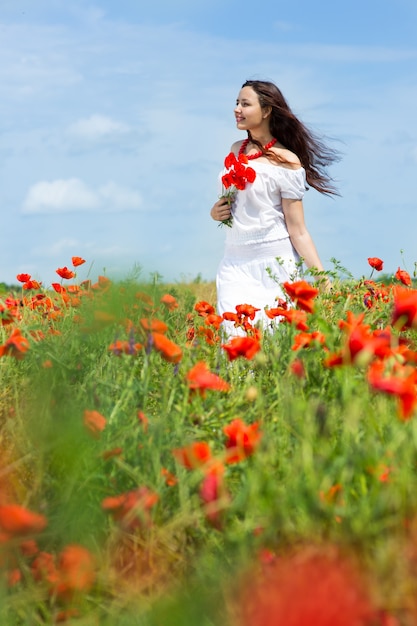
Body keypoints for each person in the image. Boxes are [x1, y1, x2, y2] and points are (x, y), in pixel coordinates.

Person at [210, 79, 338, 335]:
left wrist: (323, 280)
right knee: (234, 342)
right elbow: (233, 203)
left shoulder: (287, 161)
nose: (237, 109)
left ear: (266, 110)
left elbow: (298, 230)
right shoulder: (236, 150)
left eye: (245, 104)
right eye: (236, 103)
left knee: (271, 348)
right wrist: (216, 211)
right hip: (234, 263)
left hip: (275, 266)